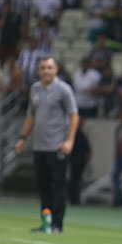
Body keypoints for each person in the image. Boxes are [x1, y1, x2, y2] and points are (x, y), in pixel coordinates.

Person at [15, 56, 79, 233]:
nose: (46, 71)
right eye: (43, 68)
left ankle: (58, 223)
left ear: (56, 69)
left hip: (56, 146)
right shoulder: (35, 89)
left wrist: (70, 140)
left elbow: (74, 115)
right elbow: (31, 115)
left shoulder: (63, 90)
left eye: (49, 68)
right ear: (38, 70)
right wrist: (23, 137)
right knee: (43, 187)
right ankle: (46, 222)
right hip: (39, 146)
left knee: (58, 186)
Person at [67, 118, 91, 205]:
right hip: (77, 160)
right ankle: (73, 198)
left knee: (75, 180)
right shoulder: (76, 134)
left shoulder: (78, 133)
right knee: (75, 180)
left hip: (78, 161)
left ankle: (74, 198)